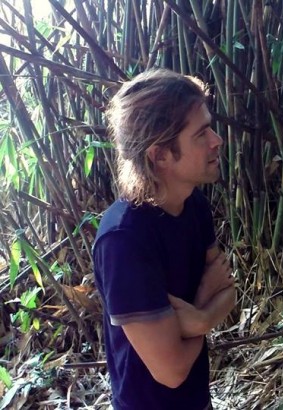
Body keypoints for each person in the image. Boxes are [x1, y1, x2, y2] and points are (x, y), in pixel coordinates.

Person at [93, 69, 236, 409]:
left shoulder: (194, 205)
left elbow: (227, 291)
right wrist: (205, 317)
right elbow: (171, 370)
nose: (217, 140)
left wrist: (195, 318)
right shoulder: (124, 241)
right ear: (160, 155)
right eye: (201, 135)